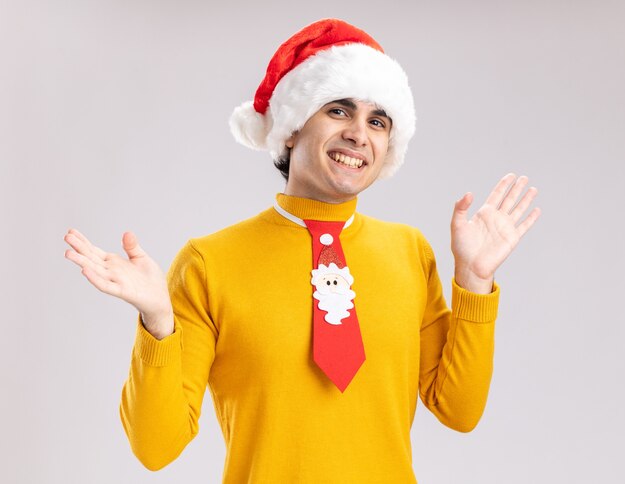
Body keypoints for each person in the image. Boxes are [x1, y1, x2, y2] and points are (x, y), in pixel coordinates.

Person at [63, 18, 540, 483]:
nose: (359, 133)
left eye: (377, 120)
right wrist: (157, 323)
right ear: (290, 129)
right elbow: (156, 446)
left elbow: (459, 411)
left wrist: (474, 282)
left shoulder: (410, 252)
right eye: (338, 110)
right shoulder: (209, 262)